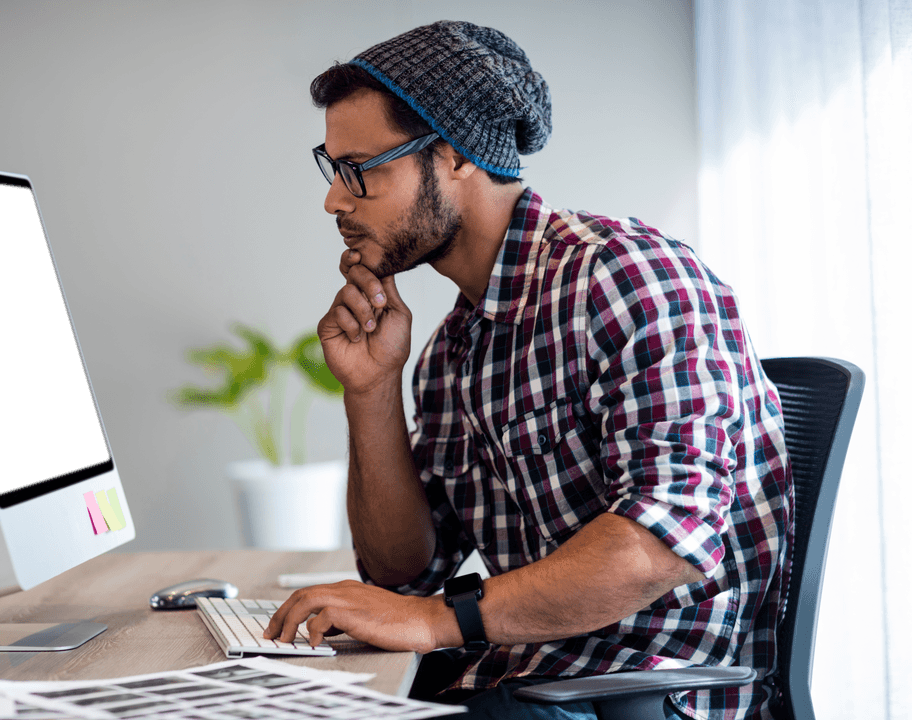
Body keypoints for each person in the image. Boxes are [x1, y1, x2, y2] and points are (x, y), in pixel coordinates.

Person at [263, 21, 792, 720]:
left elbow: (666, 542)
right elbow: (403, 571)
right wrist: (370, 390)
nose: (335, 200)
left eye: (360, 170)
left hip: (643, 694)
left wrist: (435, 622)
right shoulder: (455, 349)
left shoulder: (626, 277)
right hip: (525, 678)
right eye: (333, 171)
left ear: (452, 154)